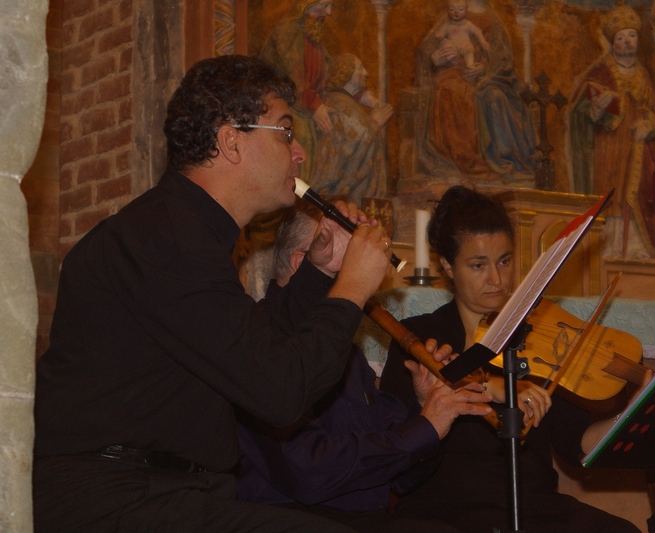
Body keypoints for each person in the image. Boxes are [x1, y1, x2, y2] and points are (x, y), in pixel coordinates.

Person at [33, 55, 396, 532]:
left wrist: (319, 271)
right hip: (113, 499)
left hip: (166, 493)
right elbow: (280, 391)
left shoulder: (181, 234)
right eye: (285, 131)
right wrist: (352, 287)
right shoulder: (164, 239)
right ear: (230, 141)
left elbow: (251, 354)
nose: (300, 152)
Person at [380, 186, 643, 533]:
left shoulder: (540, 336)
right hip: (449, 508)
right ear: (447, 266)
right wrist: (460, 392)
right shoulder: (421, 335)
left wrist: (635, 407)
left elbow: (579, 445)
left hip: (534, 506)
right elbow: (392, 447)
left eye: (504, 261)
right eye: (478, 265)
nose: (496, 279)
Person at [236, 202, 491, 532]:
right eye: (354, 259)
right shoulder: (260, 339)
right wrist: (426, 426)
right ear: (304, 265)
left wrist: (425, 407)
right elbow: (310, 472)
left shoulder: (346, 352)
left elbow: (402, 479)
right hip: (293, 520)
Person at [570, 4, 655, 259]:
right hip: (608, 147)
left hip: (638, 148)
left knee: (639, 193)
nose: (627, 42)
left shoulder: (643, 74)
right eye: (620, 37)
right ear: (612, 43)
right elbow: (580, 109)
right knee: (611, 193)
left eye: (632, 35)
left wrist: (648, 124)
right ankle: (609, 245)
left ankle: (636, 246)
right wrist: (596, 107)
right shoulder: (601, 72)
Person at [416, 0, 537, 178]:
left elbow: (503, 60)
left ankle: (501, 159)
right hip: (452, 72)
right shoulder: (452, 15)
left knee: (496, 97)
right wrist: (435, 58)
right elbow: (428, 49)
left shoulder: (492, 19)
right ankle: (466, 160)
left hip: (487, 79)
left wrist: (484, 69)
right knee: (453, 90)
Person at [261, 0, 335, 184]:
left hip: (304, 114)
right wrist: (314, 104)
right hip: (287, 113)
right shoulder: (289, 32)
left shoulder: (314, 38)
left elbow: (326, 75)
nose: (329, 12)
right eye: (324, 5)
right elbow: (292, 77)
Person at [310, 53, 392, 203]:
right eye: (360, 68)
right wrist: (374, 123)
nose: (366, 73)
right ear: (346, 72)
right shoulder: (341, 104)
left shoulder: (341, 101)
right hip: (340, 194)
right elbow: (355, 141)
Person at [433, 0, 490, 71]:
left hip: (465, 46)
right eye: (451, 9)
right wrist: (437, 56)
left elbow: (477, 31)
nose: (456, 12)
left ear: (466, 10)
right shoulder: (447, 23)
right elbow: (438, 36)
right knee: (446, 43)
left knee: (469, 50)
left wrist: (483, 42)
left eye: (460, 9)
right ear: (448, 10)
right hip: (453, 51)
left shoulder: (468, 24)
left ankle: (470, 65)